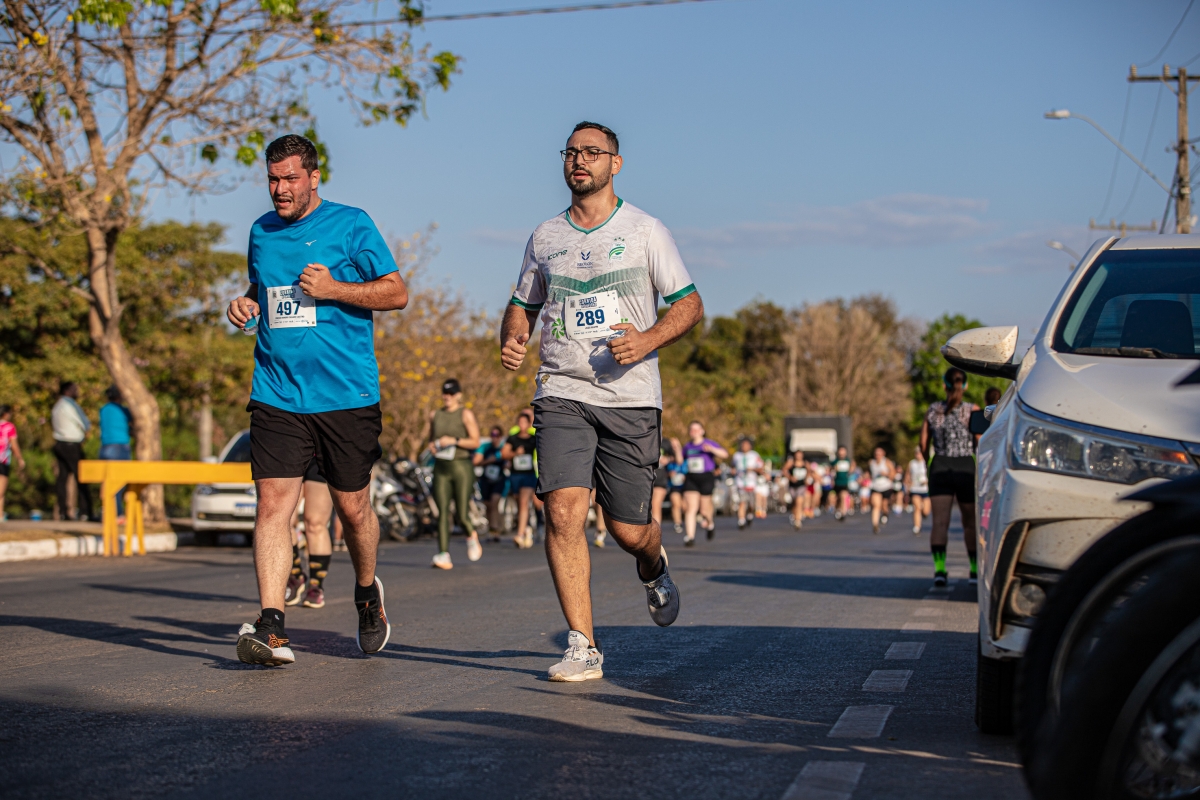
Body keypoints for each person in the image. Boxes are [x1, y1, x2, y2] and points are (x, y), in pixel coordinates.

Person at [500, 120, 704, 681]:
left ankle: (653, 562)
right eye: (571, 152)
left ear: (616, 163)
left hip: (630, 396)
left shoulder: (645, 230)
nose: (579, 160)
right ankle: (583, 645)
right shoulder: (545, 236)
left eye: (592, 152)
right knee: (563, 510)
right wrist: (514, 337)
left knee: (627, 530)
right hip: (561, 390)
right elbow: (523, 303)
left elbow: (689, 305)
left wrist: (648, 340)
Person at [225, 134, 408, 666]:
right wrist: (244, 304)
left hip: (345, 393)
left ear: (313, 177)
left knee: (353, 509)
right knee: (273, 506)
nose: (280, 189)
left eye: (290, 178)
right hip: (277, 391)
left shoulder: (351, 224)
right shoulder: (261, 231)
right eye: (272, 179)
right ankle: (271, 625)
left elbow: (396, 292)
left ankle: (367, 591)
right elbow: (261, 288)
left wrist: (335, 290)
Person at [920, 366, 980, 587]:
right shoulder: (973, 410)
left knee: (940, 522)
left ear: (944, 385)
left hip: (940, 465)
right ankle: (974, 570)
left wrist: (928, 461)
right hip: (965, 466)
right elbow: (981, 440)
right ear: (965, 385)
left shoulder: (933, 410)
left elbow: (923, 443)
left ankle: (939, 569)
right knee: (970, 523)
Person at [427, 379, 483, 569]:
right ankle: (443, 554)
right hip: (441, 468)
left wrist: (454, 440)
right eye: (445, 393)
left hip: (461, 467)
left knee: (461, 513)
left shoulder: (465, 414)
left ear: (459, 395)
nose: (447, 397)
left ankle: (471, 535)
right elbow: (431, 440)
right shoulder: (435, 415)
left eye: (451, 393)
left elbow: (475, 442)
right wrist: (432, 446)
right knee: (442, 511)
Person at [285, 461, 337, 609]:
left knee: (315, 523)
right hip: (291, 454)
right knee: (283, 520)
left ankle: (315, 586)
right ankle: (295, 576)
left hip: (320, 458)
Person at [51, 381, 94, 522]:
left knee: (62, 478)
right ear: (67, 391)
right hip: (71, 444)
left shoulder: (57, 406)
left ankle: (63, 511)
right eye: (74, 389)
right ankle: (85, 512)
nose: (77, 392)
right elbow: (85, 424)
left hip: (59, 443)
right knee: (82, 476)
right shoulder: (70, 405)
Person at [681, 421, 729, 545]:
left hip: (706, 477)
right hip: (691, 477)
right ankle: (690, 537)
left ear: (702, 431)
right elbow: (680, 460)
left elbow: (725, 454)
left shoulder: (708, 443)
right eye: (692, 430)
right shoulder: (687, 447)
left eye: (697, 429)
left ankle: (710, 523)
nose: (695, 432)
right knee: (691, 508)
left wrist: (712, 449)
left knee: (703, 510)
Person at [502, 409, 538, 549]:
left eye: (524, 422)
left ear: (529, 424)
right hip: (515, 474)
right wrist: (515, 454)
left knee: (524, 502)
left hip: (529, 475)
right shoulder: (513, 438)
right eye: (520, 422)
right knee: (518, 502)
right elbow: (504, 454)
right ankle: (526, 527)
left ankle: (520, 534)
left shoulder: (533, 438)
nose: (522, 425)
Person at [99, 386, 134, 519]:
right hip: (119, 447)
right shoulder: (123, 410)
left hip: (105, 447)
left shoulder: (103, 409)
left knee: (106, 482)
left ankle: (106, 511)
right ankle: (117, 513)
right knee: (119, 483)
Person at [474, 426, 508, 542]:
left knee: (494, 503)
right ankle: (491, 529)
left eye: (497, 435)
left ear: (501, 436)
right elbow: (476, 462)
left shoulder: (504, 448)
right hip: (486, 480)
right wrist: (489, 460)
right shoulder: (485, 447)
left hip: (499, 480)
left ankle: (495, 530)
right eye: (493, 435)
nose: (495, 438)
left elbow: (509, 461)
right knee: (488, 505)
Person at [732, 437, 764, 530]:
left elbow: (761, 467)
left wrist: (753, 469)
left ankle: (750, 514)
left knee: (751, 504)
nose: (744, 447)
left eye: (746, 445)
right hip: (740, 483)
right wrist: (733, 470)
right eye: (743, 445)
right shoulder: (736, 456)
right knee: (742, 502)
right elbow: (732, 466)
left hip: (751, 483)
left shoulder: (754, 455)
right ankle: (741, 520)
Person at [0, 405, 25, 521]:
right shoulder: (9, 427)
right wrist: (20, 459)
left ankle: (0, 515)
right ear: (6, 414)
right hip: (3, 460)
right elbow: (14, 445)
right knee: (1, 490)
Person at [868, 446, 896, 534]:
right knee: (876, 505)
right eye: (876, 454)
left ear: (883, 454)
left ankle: (885, 514)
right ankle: (875, 525)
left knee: (884, 506)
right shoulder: (871, 463)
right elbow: (869, 473)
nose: (878, 455)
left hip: (885, 487)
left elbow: (893, 474)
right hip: (875, 487)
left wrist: (886, 474)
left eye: (879, 454)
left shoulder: (887, 462)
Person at [906, 447, 930, 535]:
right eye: (916, 453)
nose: (918, 455)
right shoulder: (912, 463)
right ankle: (917, 526)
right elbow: (908, 475)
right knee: (917, 507)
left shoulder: (927, 462)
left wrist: (927, 481)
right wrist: (908, 484)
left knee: (926, 511)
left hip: (925, 489)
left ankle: (924, 514)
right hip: (915, 489)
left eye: (920, 453)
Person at [665, 438, 686, 534]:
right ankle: (677, 523)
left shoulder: (685, 455)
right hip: (673, 485)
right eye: (672, 445)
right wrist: (669, 474)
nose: (674, 447)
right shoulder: (667, 458)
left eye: (676, 445)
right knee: (675, 503)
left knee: (685, 506)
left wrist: (685, 476)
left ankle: (688, 519)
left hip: (686, 486)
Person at [830, 446, 852, 520]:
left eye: (843, 451)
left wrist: (851, 469)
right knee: (837, 499)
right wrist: (833, 469)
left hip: (844, 483)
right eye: (840, 451)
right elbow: (829, 469)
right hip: (836, 483)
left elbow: (852, 469)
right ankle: (838, 510)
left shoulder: (848, 461)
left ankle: (843, 513)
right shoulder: (835, 461)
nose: (842, 453)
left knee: (843, 496)